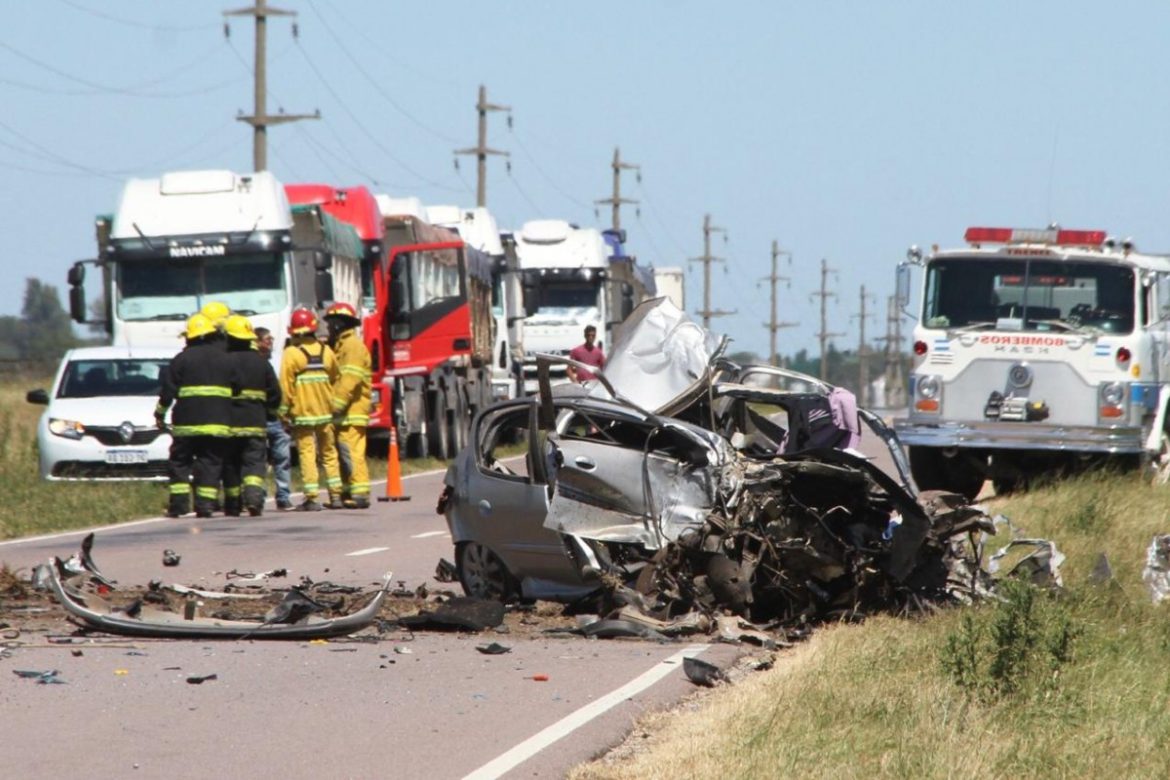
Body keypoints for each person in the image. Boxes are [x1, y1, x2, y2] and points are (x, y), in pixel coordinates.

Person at [155, 313, 233, 518]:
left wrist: (159, 414)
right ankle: (205, 505)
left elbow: (167, 393)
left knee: (180, 462)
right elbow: (236, 389)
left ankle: (179, 505)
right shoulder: (225, 359)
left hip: (186, 425)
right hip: (217, 424)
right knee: (210, 463)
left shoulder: (181, 360)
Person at [279, 307, 342, 511]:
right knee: (329, 453)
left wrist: (283, 411)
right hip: (325, 411)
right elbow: (335, 376)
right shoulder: (326, 351)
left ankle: (311, 498)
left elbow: (285, 385)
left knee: (307, 453)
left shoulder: (291, 353)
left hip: (303, 412)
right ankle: (336, 495)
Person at [222, 315, 282, 517]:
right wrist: (270, 413)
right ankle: (254, 499)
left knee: (231, 463)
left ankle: (233, 504)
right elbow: (275, 394)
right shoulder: (261, 363)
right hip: (255, 422)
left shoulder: (223, 362)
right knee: (254, 462)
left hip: (229, 424)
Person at [324, 302, 372, 509]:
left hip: (351, 412)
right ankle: (347, 493)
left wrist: (335, 405)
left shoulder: (352, 346)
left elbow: (349, 380)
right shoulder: (340, 346)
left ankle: (360, 494)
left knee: (351, 453)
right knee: (345, 454)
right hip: (345, 413)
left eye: (331, 323)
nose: (328, 327)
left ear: (339, 324)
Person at [255, 327, 293, 510]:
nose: (270, 342)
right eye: (266, 339)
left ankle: (283, 497)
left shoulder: (278, 360)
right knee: (258, 460)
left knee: (282, 458)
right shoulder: (252, 362)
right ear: (256, 342)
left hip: (276, 418)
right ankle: (258, 496)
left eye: (271, 339)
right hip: (257, 418)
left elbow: (282, 389)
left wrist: (284, 414)